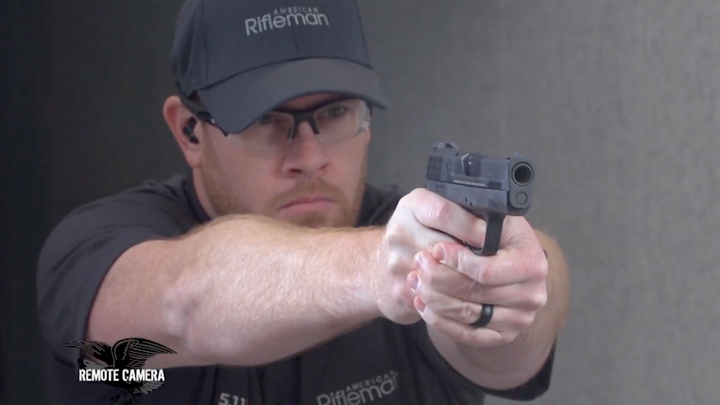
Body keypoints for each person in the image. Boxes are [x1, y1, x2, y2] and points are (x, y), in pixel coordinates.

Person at [36, 0, 570, 404]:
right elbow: (182, 307)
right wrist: (383, 268)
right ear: (190, 131)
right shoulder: (90, 253)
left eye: (336, 113)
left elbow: (510, 359)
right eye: (267, 121)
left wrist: (514, 285)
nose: (309, 155)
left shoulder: (422, 246)